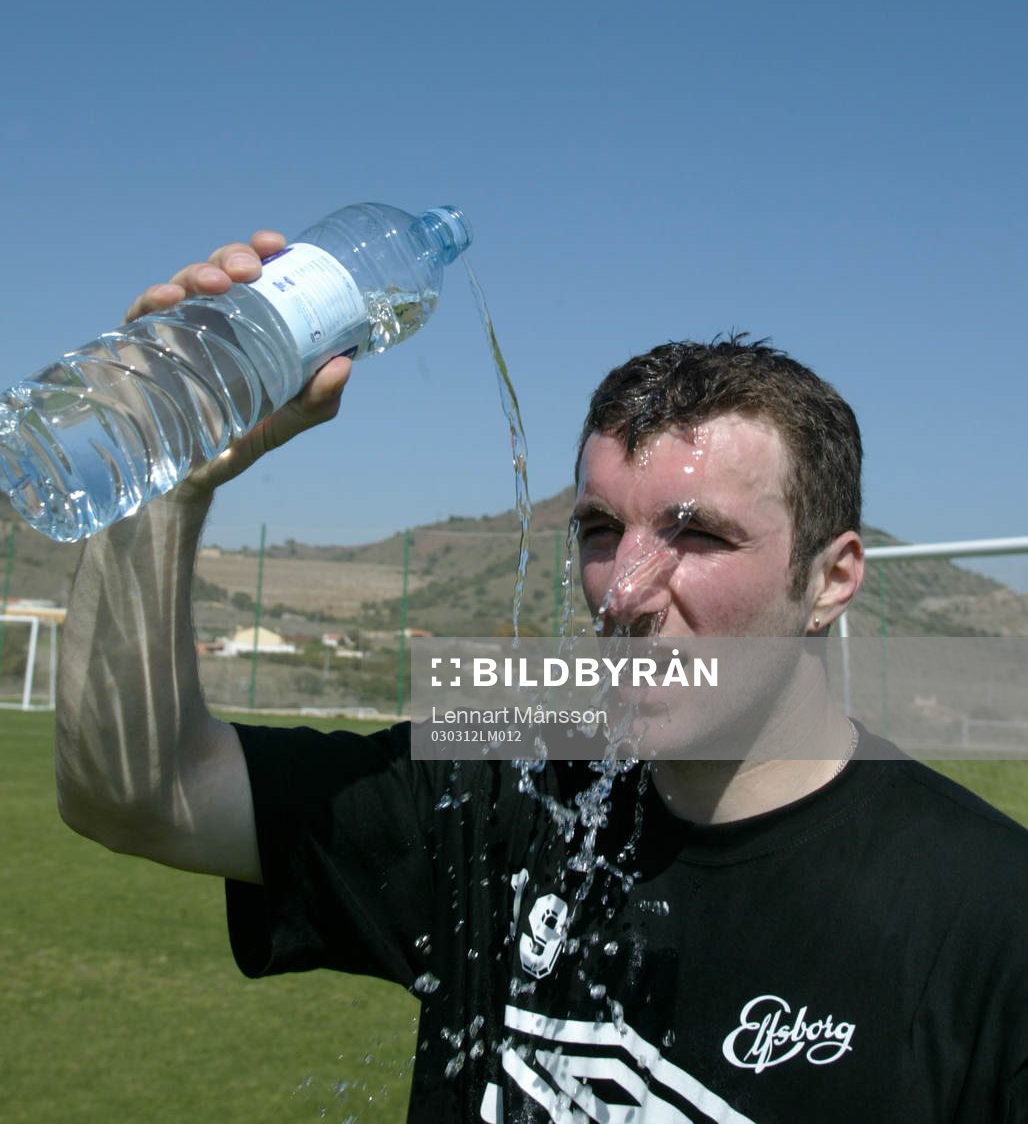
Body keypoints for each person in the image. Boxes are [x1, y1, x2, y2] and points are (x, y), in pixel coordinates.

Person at [55, 233, 1027, 1123]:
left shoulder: (985, 906)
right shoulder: (517, 752)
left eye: (697, 534)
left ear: (831, 577)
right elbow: (137, 794)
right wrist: (162, 473)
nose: (625, 589)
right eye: (600, 530)